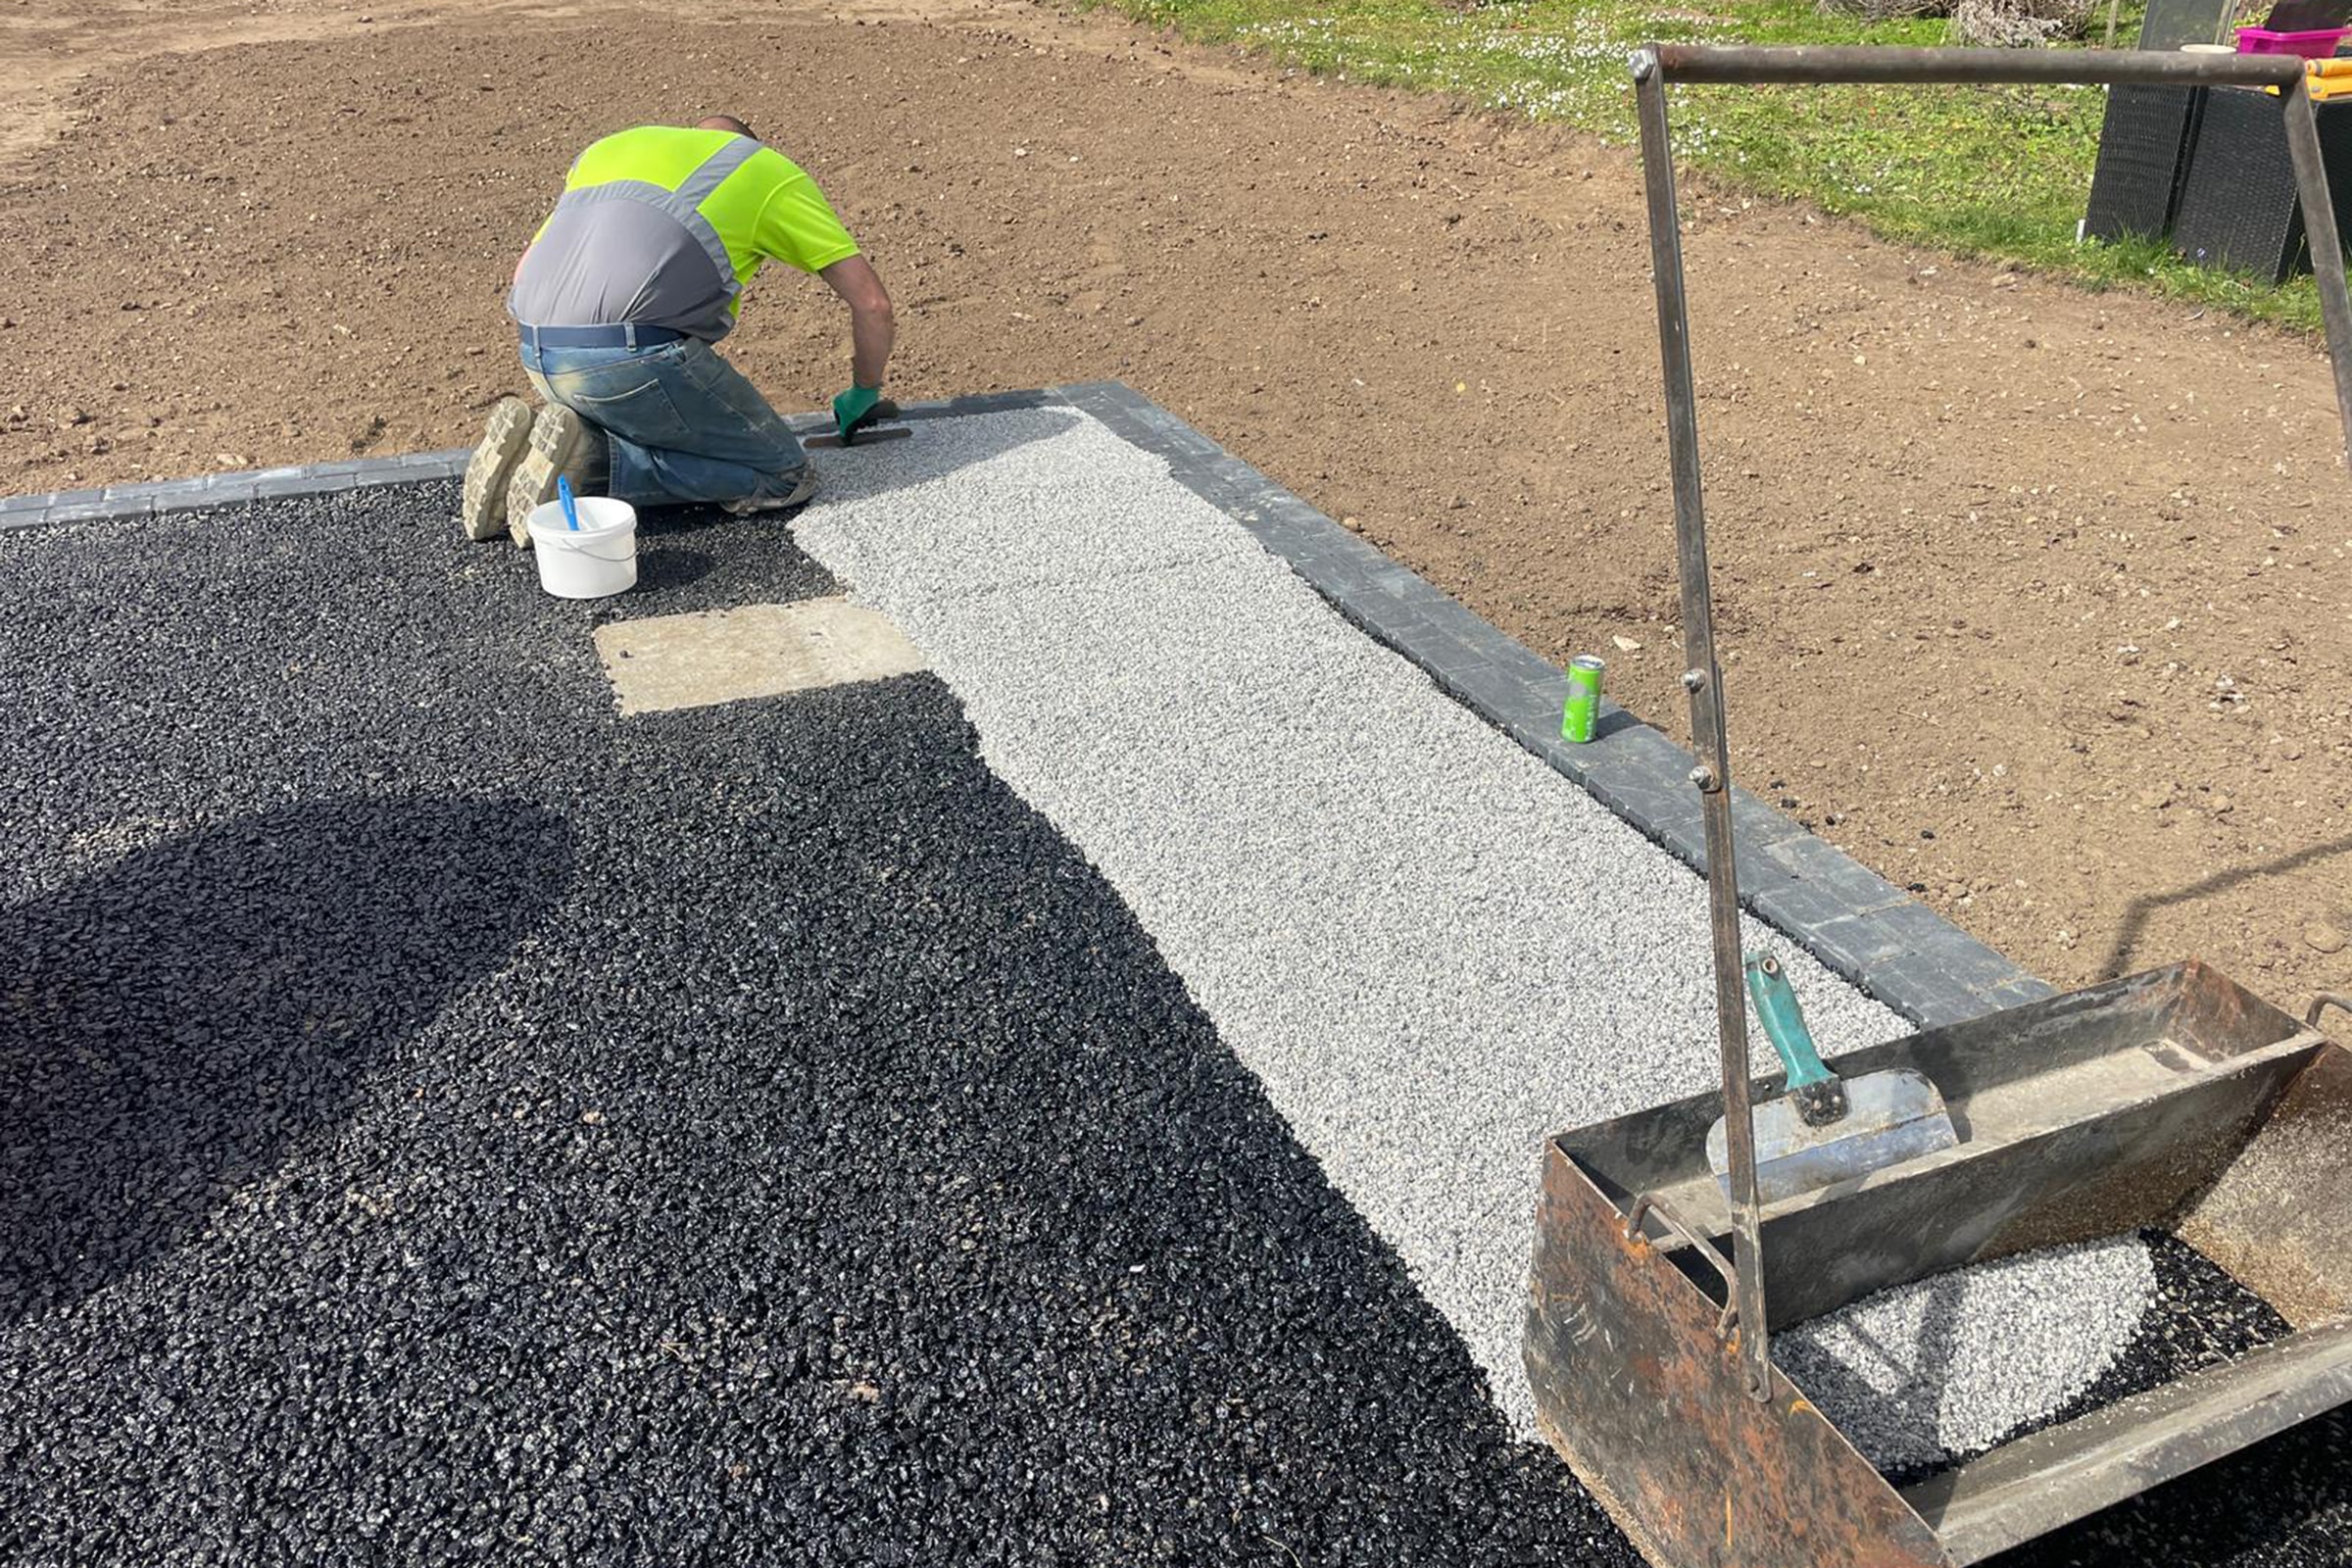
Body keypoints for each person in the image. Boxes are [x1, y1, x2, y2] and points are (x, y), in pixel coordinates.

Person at [462, 115, 895, 546]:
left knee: (653, 413)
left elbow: (523, 271)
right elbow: (872, 304)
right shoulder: (763, 167)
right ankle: (589, 465)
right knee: (782, 475)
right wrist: (864, 390)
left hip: (539, 353)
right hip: (628, 362)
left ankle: (540, 451)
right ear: (750, 144)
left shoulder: (609, 149)